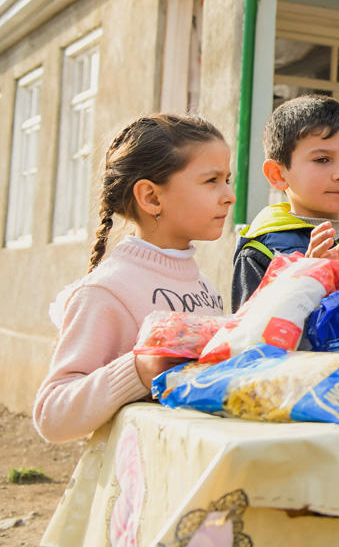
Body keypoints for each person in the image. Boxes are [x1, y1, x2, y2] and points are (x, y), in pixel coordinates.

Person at [33, 115, 232, 443]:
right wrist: (138, 371)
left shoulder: (204, 285)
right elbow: (52, 416)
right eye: (212, 181)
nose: (229, 195)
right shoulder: (107, 291)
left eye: (227, 179)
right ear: (152, 198)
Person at [231, 95, 339, 310]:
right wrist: (308, 278)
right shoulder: (261, 251)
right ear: (277, 174)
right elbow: (250, 334)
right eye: (322, 160)